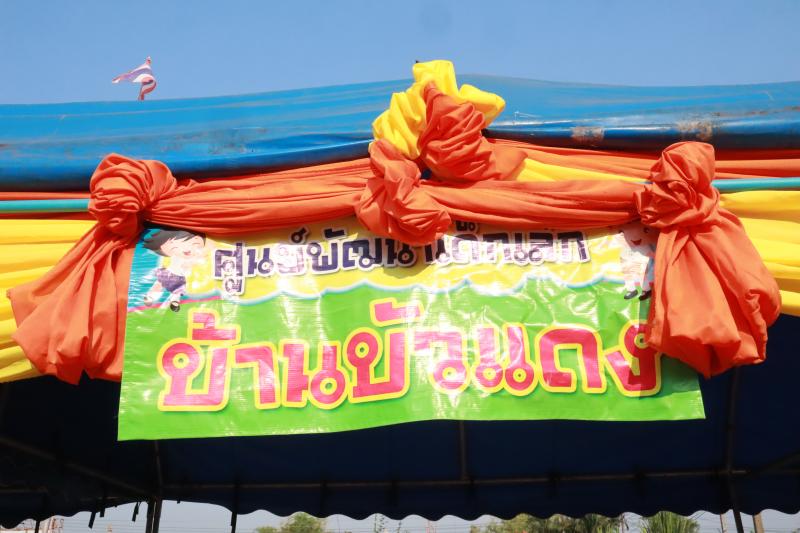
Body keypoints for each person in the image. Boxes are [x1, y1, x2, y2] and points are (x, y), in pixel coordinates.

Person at [142, 229, 207, 311]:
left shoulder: (194, 257)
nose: (187, 248)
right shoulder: (176, 253)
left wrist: (197, 259)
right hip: (169, 272)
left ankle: (174, 302)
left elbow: (196, 262)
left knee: (177, 292)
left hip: (180, 278)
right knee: (159, 285)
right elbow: (170, 254)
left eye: (193, 244)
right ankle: (150, 297)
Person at [615, 223, 656, 301]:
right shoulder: (625, 245)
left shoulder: (643, 245)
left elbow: (649, 253)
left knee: (643, 275)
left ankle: (646, 290)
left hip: (641, 262)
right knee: (628, 275)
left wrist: (657, 257)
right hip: (629, 259)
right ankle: (632, 290)